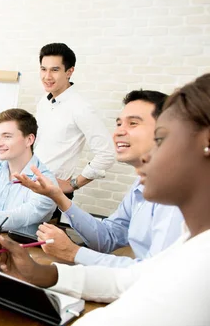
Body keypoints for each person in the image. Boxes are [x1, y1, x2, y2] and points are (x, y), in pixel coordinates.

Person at [0, 73, 210, 326]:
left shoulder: (199, 257)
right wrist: (40, 272)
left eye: (162, 139)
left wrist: (72, 254)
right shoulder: (191, 237)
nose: (148, 156)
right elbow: (131, 273)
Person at [14, 90, 183, 267]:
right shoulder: (138, 187)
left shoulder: (176, 193)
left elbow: (155, 273)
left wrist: (74, 253)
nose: (118, 132)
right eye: (118, 124)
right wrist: (58, 196)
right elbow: (108, 238)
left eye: (133, 123)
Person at [0, 43, 115, 195]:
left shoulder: (81, 108)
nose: (47, 76)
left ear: (69, 72)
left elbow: (106, 154)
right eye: (43, 69)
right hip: (28, 183)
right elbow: (36, 138)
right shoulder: (45, 102)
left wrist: (73, 184)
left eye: (55, 70)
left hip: (51, 190)